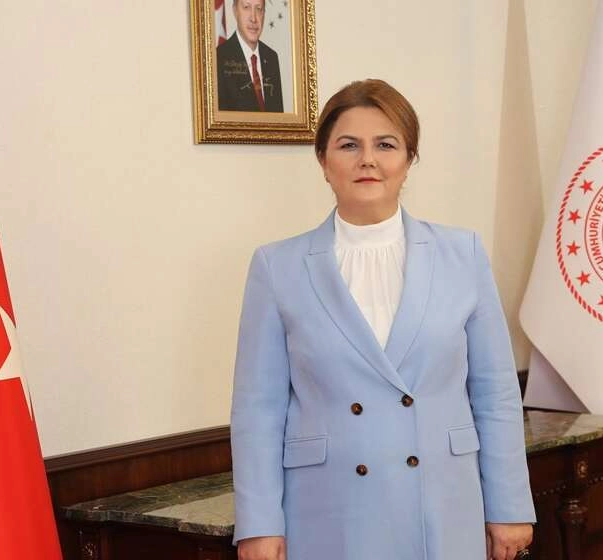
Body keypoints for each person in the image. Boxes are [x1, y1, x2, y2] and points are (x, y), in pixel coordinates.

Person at [230, 79, 535, 560]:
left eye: (386, 145)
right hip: (328, 508)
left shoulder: (463, 254)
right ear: (323, 160)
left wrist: (510, 504)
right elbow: (257, 409)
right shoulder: (276, 266)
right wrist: (259, 523)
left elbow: (495, 393)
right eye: (349, 145)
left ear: (409, 159)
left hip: (443, 501)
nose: (367, 159)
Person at [216, 0, 283, 112]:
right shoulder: (219, 58)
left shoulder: (271, 57)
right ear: (235, 11)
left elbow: (278, 118)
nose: (253, 18)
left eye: (259, 9)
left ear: (264, 13)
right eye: (246, 7)